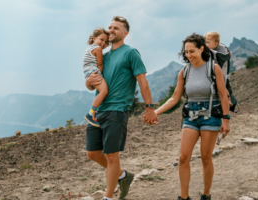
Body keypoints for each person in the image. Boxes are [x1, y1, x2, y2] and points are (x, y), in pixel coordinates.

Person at [85, 16, 158, 200]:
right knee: (92, 153)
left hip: (117, 110)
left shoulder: (131, 52)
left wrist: (149, 107)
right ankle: (123, 175)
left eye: (115, 28)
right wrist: (88, 83)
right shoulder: (103, 55)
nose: (111, 30)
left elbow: (142, 81)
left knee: (111, 157)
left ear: (125, 33)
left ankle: (108, 197)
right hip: (98, 110)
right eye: (109, 27)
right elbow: (93, 84)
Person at [154, 33, 230, 200]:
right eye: (186, 52)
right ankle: (184, 197)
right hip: (191, 115)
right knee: (183, 157)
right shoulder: (185, 71)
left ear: (201, 48)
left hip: (211, 115)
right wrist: (156, 112)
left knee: (205, 157)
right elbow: (175, 97)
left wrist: (226, 119)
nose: (189, 55)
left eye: (192, 51)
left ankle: (206, 194)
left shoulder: (213, 68)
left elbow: (223, 95)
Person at [83, 28, 110, 127]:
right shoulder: (97, 49)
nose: (103, 43)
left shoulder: (89, 48)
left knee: (101, 91)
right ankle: (91, 114)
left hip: (88, 72)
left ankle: (93, 114)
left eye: (106, 42)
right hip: (94, 71)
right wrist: (101, 75)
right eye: (101, 39)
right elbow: (100, 64)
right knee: (104, 91)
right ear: (94, 38)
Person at [204, 31, 233, 107]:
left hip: (218, 77)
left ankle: (228, 100)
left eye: (207, 42)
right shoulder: (222, 52)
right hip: (222, 77)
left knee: (223, 88)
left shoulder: (215, 54)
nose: (204, 44)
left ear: (215, 44)